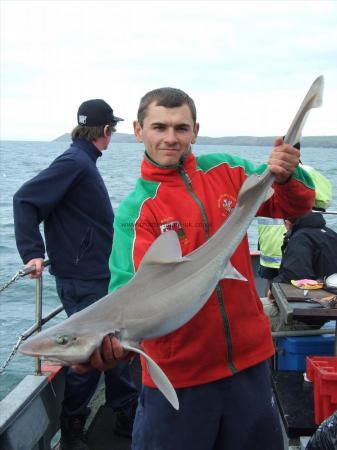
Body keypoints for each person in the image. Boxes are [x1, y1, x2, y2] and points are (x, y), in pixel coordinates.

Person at [81, 87, 315, 450]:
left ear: (196, 130)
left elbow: (294, 206)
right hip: (178, 378)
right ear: (139, 130)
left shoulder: (228, 171)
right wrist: (109, 347)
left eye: (181, 128)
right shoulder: (137, 210)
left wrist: (287, 175)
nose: (171, 138)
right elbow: (126, 295)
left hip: (249, 365)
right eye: (159, 127)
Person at [13, 99, 139, 450]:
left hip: (96, 274)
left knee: (112, 349)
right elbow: (25, 200)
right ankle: (72, 428)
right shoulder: (74, 162)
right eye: (112, 129)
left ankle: (125, 412)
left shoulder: (83, 160)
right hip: (83, 278)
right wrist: (33, 253)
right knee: (90, 354)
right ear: (106, 131)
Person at [257, 163, 332, 295]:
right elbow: (324, 200)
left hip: (270, 246)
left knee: (272, 284)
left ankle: (273, 305)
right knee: (296, 282)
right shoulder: (309, 173)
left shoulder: (268, 172)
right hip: (289, 241)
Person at [273, 211, 337, 283]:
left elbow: (295, 274)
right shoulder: (331, 233)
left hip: (319, 290)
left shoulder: (300, 238)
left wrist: (274, 284)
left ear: (287, 222)